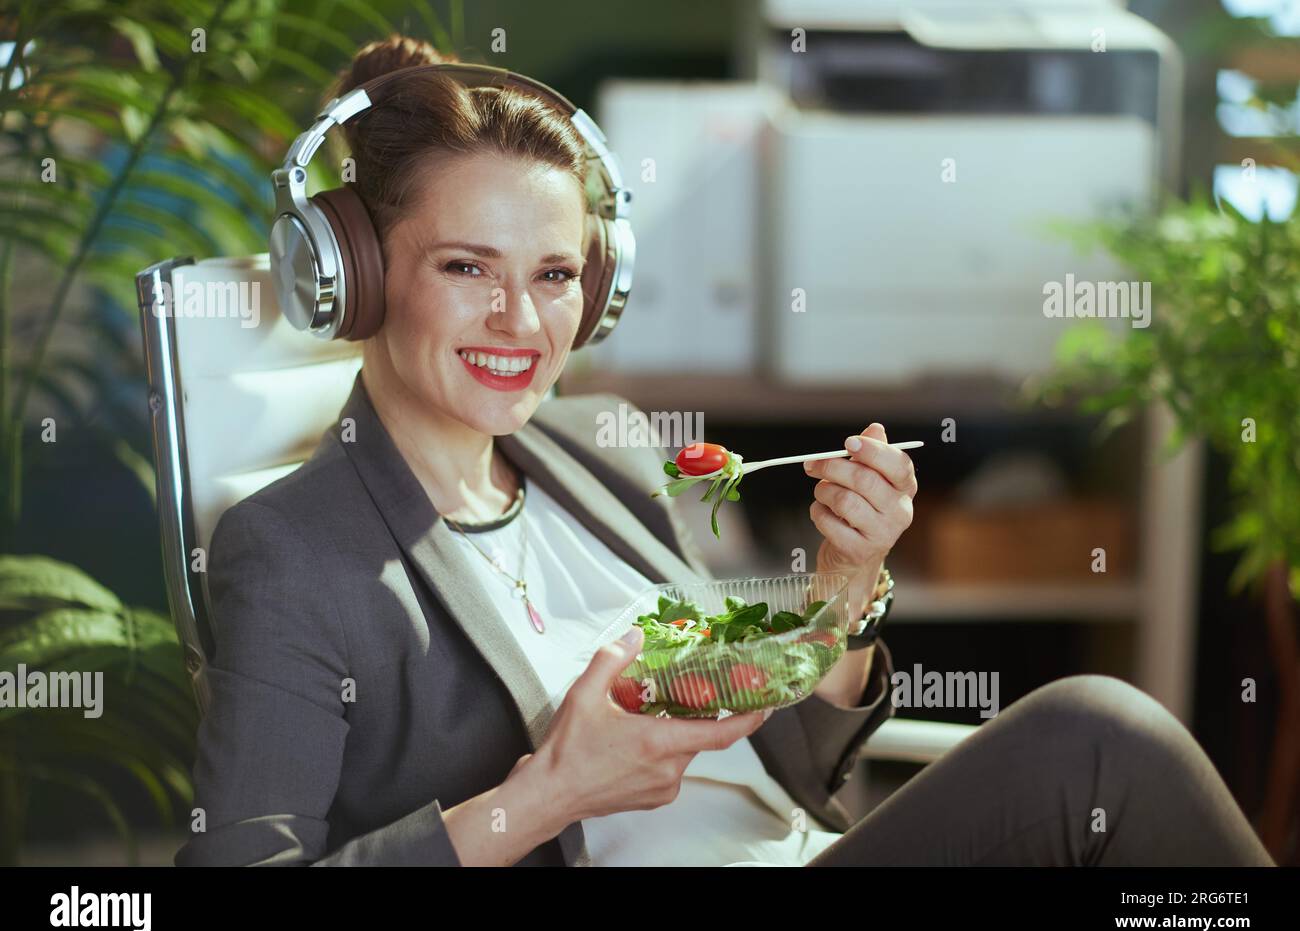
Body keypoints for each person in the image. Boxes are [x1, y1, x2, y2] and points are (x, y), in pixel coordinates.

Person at [175, 35, 1274, 867]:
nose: (521, 319)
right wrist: (550, 791)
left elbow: (791, 759)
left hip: (802, 847)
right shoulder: (292, 550)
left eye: (555, 275)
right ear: (356, 277)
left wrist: (842, 592)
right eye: (468, 268)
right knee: (1098, 735)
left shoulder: (595, 450)